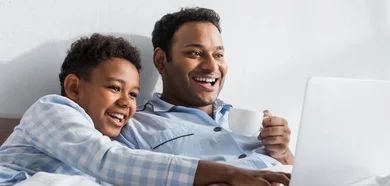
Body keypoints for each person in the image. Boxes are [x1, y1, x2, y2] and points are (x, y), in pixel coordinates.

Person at [0, 33, 290, 186]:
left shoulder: (111, 136)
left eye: (134, 94)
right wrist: (227, 173)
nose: (127, 102)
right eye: (115, 88)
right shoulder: (52, 110)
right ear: (75, 87)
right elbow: (109, 161)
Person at [119, 7, 295, 170]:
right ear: (161, 60)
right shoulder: (134, 127)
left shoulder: (247, 122)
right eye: (195, 53)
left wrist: (282, 153)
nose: (212, 67)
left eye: (218, 55)